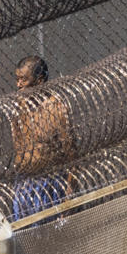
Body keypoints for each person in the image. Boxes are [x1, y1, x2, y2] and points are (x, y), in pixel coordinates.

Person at [10, 56, 75, 221]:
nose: (18, 85)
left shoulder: (55, 108)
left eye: (24, 80)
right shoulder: (18, 109)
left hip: (48, 182)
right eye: (17, 80)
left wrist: (69, 188)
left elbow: (71, 152)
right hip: (24, 183)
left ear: (39, 80)